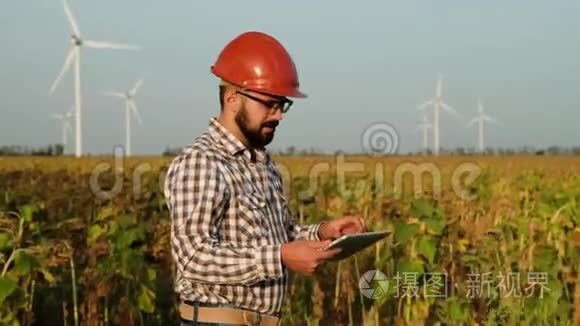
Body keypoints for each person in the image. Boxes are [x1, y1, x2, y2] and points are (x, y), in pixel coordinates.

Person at [163, 31, 366, 326]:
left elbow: (278, 238)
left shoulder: (262, 163)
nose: (278, 115)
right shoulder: (202, 161)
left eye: (282, 104)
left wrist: (322, 233)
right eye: (269, 103)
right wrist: (281, 257)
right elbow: (194, 258)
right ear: (232, 99)